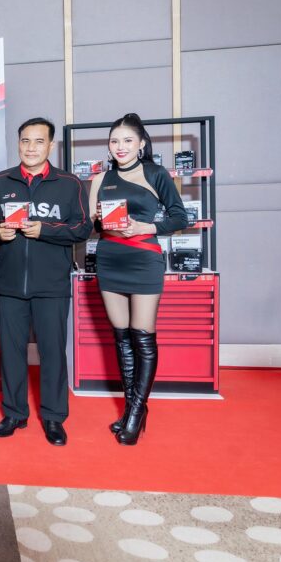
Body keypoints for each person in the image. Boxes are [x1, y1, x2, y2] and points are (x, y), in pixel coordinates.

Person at [0, 117, 92, 446]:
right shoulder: (0, 182)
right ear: (18, 144)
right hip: (10, 285)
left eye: (39, 141)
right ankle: (14, 413)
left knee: (53, 352)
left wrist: (46, 229)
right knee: (11, 352)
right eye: (25, 141)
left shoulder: (69, 184)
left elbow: (83, 228)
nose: (31, 148)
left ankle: (54, 417)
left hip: (52, 285)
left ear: (51, 146)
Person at [89, 113, 187, 445]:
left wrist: (146, 226)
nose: (120, 146)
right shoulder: (100, 179)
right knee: (121, 337)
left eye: (128, 140)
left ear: (141, 144)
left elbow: (180, 217)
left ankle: (135, 412)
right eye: (114, 141)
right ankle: (132, 409)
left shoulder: (156, 173)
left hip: (144, 258)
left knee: (142, 336)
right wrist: (98, 220)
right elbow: (92, 225)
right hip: (109, 257)